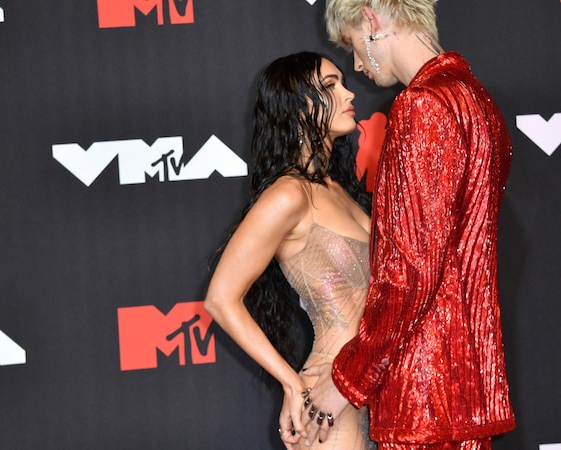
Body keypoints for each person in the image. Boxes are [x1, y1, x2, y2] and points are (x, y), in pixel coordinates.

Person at [293, 1, 516, 449]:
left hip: (424, 398)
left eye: (354, 45)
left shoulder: (422, 106)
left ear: (372, 20)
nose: (356, 64)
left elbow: (410, 271)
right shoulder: (476, 98)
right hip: (466, 392)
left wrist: (345, 382)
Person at [204, 51, 375, 450]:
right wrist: (292, 384)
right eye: (331, 86)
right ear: (298, 107)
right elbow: (220, 298)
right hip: (330, 402)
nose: (350, 93)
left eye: (343, 82)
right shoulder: (287, 195)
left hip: (376, 389)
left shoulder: (340, 190)